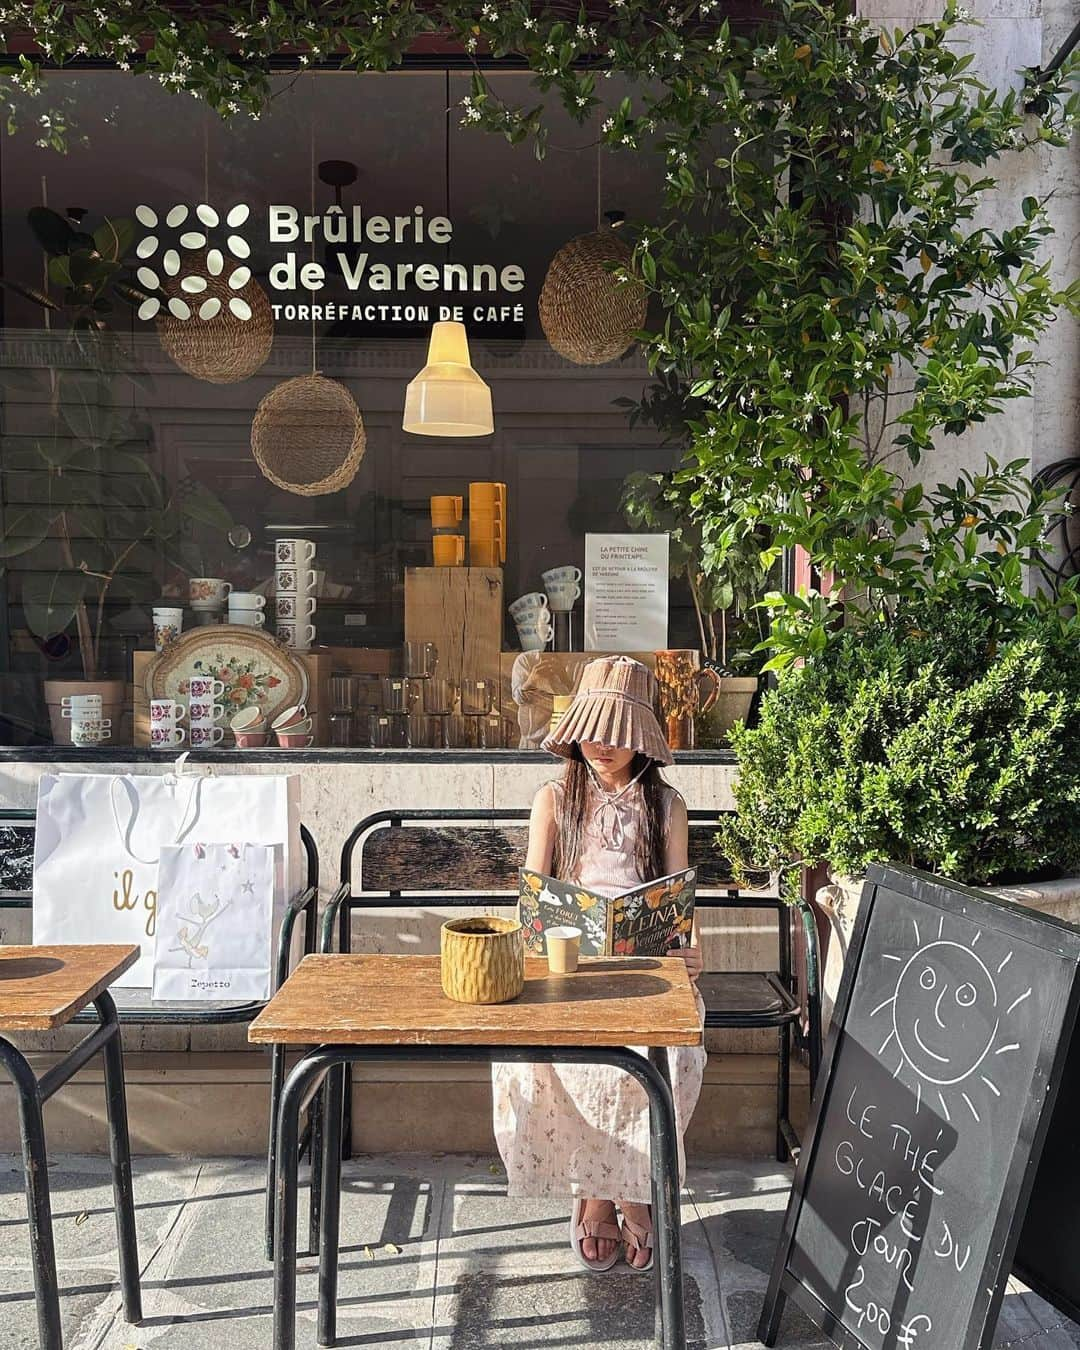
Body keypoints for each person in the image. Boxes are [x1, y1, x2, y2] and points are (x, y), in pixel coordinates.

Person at [492, 655, 705, 1272]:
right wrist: (539, 932)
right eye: (591, 729)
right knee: (544, 1056)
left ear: (641, 739)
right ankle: (593, 1192)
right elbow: (532, 892)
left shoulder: (666, 806)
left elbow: (678, 897)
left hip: (645, 970)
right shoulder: (555, 797)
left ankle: (632, 1188)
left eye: (617, 734)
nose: (602, 746)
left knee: (669, 1057)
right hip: (568, 964)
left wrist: (691, 949)